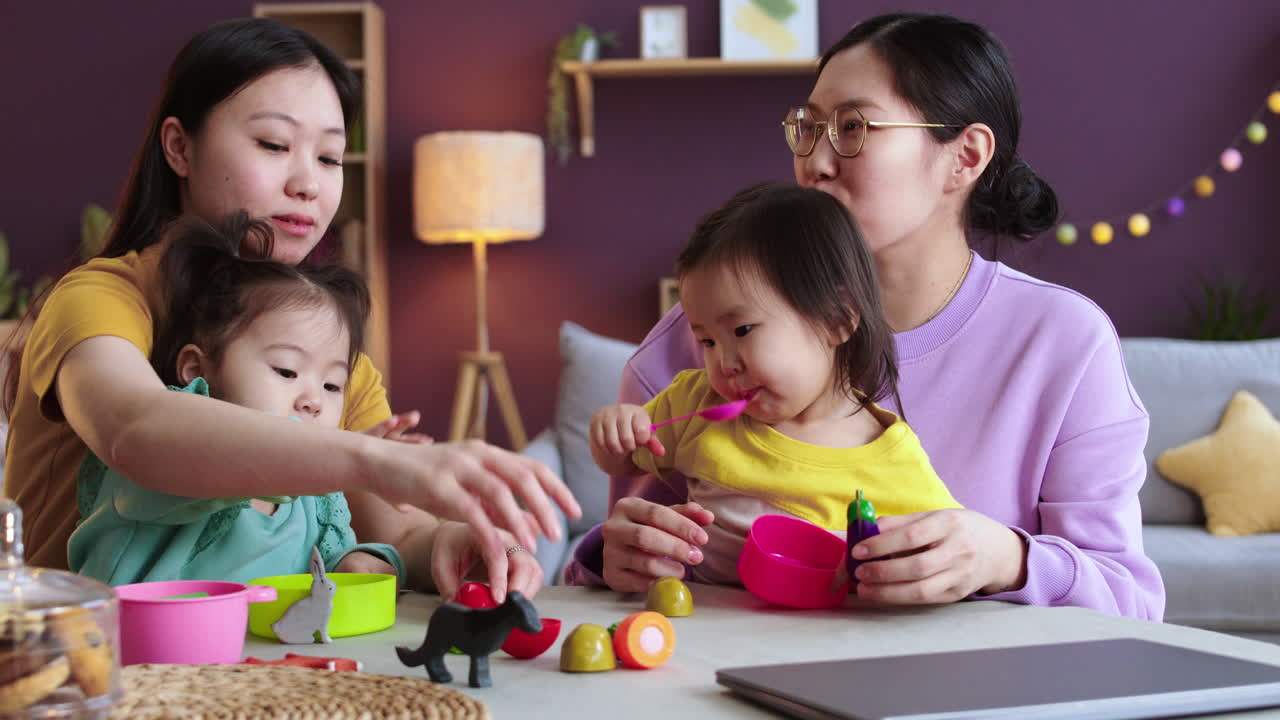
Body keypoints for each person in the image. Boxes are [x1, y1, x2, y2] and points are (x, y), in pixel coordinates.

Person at [566, 12, 1165, 621]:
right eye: (808, 128)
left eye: (853, 127)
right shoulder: (695, 343)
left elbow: (1131, 605)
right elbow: (621, 577)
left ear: (965, 156)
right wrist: (606, 560)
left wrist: (1006, 558)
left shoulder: (1064, 342)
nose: (815, 162)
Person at [2, 17, 579, 602]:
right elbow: (135, 429)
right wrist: (372, 458)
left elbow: (396, 530)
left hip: (248, 671)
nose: (308, 183)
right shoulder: (101, 296)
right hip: (65, 666)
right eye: (274, 145)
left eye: (330, 158)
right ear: (180, 147)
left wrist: (454, 543)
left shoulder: (315, 344)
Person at [588, 182, 961, 586]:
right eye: (708, 341)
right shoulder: (695, 401)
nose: (724, 363)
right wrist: (615, 431)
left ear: (837, 319)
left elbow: (944, 551)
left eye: (743, 330)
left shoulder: (889, 454)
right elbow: (623, 461)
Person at [71, 213, 404, 585]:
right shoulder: (173, 447)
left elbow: (325, 563)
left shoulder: (318, 500)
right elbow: (169, 455)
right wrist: (356, 458)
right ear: (198, 370)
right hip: (136, 640)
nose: (313, 400)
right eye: (286, 371)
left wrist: (362, 559)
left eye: (332, 385)